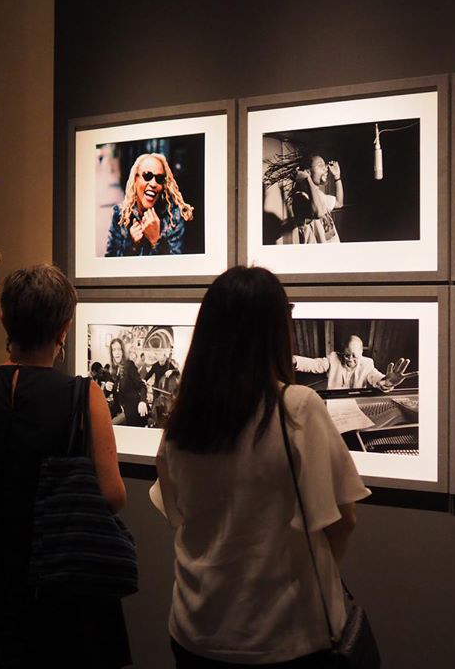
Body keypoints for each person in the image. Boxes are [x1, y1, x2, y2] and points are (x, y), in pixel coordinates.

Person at [151, 266, 371, 667]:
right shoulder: (298, 407)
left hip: (195, 629)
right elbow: (344, 520)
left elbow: (177, 515)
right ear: (273, 331)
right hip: (284, 634)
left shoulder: (181, 420)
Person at [0, 264, 131, 667]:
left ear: (4, 318)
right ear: (65, 327)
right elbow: (112, 496)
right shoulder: (83, 396)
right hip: (57, 585)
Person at [105, 152, 194, 256]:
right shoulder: (120, 215)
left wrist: (156, 241)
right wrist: (132, 246)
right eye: (147, 176)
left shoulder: (174, 218)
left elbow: (177, 267)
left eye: (159, 178)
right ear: (135, 179)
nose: (153, 184)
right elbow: (110, 262)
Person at [293, 334, 412, 391]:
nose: (349, 359)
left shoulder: (367, 363)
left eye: (354, 355)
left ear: (361, 352)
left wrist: (388, 382)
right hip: (334, 401)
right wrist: (295, 361)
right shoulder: (333, 358)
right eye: (346, 354)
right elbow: (316, 365)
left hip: (357, 400)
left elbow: (377, 378)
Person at [290, 153, 345, 243]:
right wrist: (307, 178)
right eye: (320, 165)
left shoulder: (319, 194)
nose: (325, 168)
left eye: (325, 165)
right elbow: (318, 213)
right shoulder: (300, 197)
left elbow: (339, 203)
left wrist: (337, 177)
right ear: (308, 172)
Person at [109, 336, 149, 426]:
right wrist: (108, 388)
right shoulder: (115, 371)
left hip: (134, 412)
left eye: (119, 349)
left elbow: (142, 385)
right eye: (114, 350)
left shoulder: (129, 365)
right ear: (111, 353)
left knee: (110, 426)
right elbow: (114, 395)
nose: (117, 352)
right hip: (122, 412)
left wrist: (143, 401)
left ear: (123, 351)